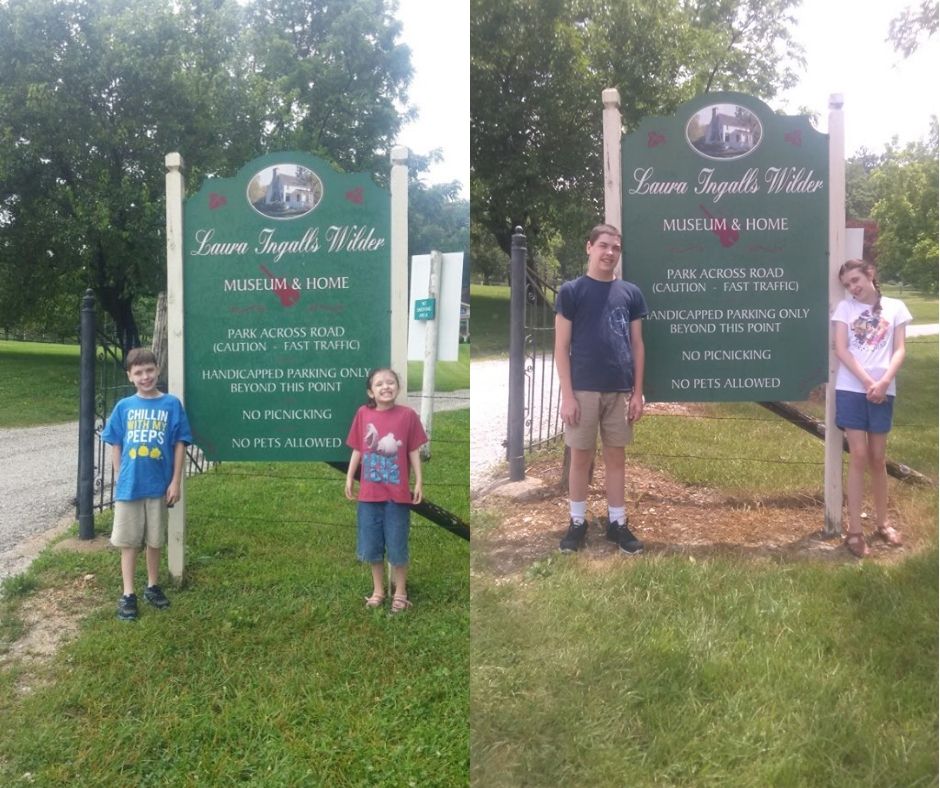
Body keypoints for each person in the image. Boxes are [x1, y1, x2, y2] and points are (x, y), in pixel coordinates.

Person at [554, 223, 648, 554]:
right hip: (583, 391)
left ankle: (617, 523)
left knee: (616, 458)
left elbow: (637, 345)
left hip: (620, 391)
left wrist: (637, 392)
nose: (610, 252)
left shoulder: (630, 293)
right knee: (581, 458)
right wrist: (568, 395)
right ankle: (577, 522)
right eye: (604, 245)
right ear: (589, 247)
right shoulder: (571, 292)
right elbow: (560, 348)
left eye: (616, 248)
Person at [101, 348, 192, 620]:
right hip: (130, 487)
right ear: (130, 376)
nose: (145, 376)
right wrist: (120, 475)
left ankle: (152, 586)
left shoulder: (172, 405)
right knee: (129, 542)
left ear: (157, 370)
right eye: (138, 372)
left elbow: (179, 444)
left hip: (159, 485)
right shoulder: (124, 407)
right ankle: (128, 593)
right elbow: (115, 443)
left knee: (155, 540)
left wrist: (175, 481)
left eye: (149, 370)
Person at [832, 259, 911, 558]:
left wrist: (884, 381)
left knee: (878, 459)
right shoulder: (845, 309)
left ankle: (883, 522)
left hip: (884, 390)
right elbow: (841, 349)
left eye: (855, 280)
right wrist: (868, 382)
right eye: (847, 284)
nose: (853, 287)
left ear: (870, 274)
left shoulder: (896, 308)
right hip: (852, 389)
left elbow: (900, 348)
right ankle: (854, 530)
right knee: (859, 456)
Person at [345, 367, 427, 612]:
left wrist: (419, 481)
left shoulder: (408, 416)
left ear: (398, 388)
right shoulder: (363, 414)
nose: (385, 387)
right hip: (369, 495)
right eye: (379, 384)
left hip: (398, 496)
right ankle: (378, 590)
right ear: (371, 391)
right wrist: (350, 476)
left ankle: (400, 591)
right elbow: (358, 448)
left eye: (390, 382)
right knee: (371, 544)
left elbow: (413, 449)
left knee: (397, 542)